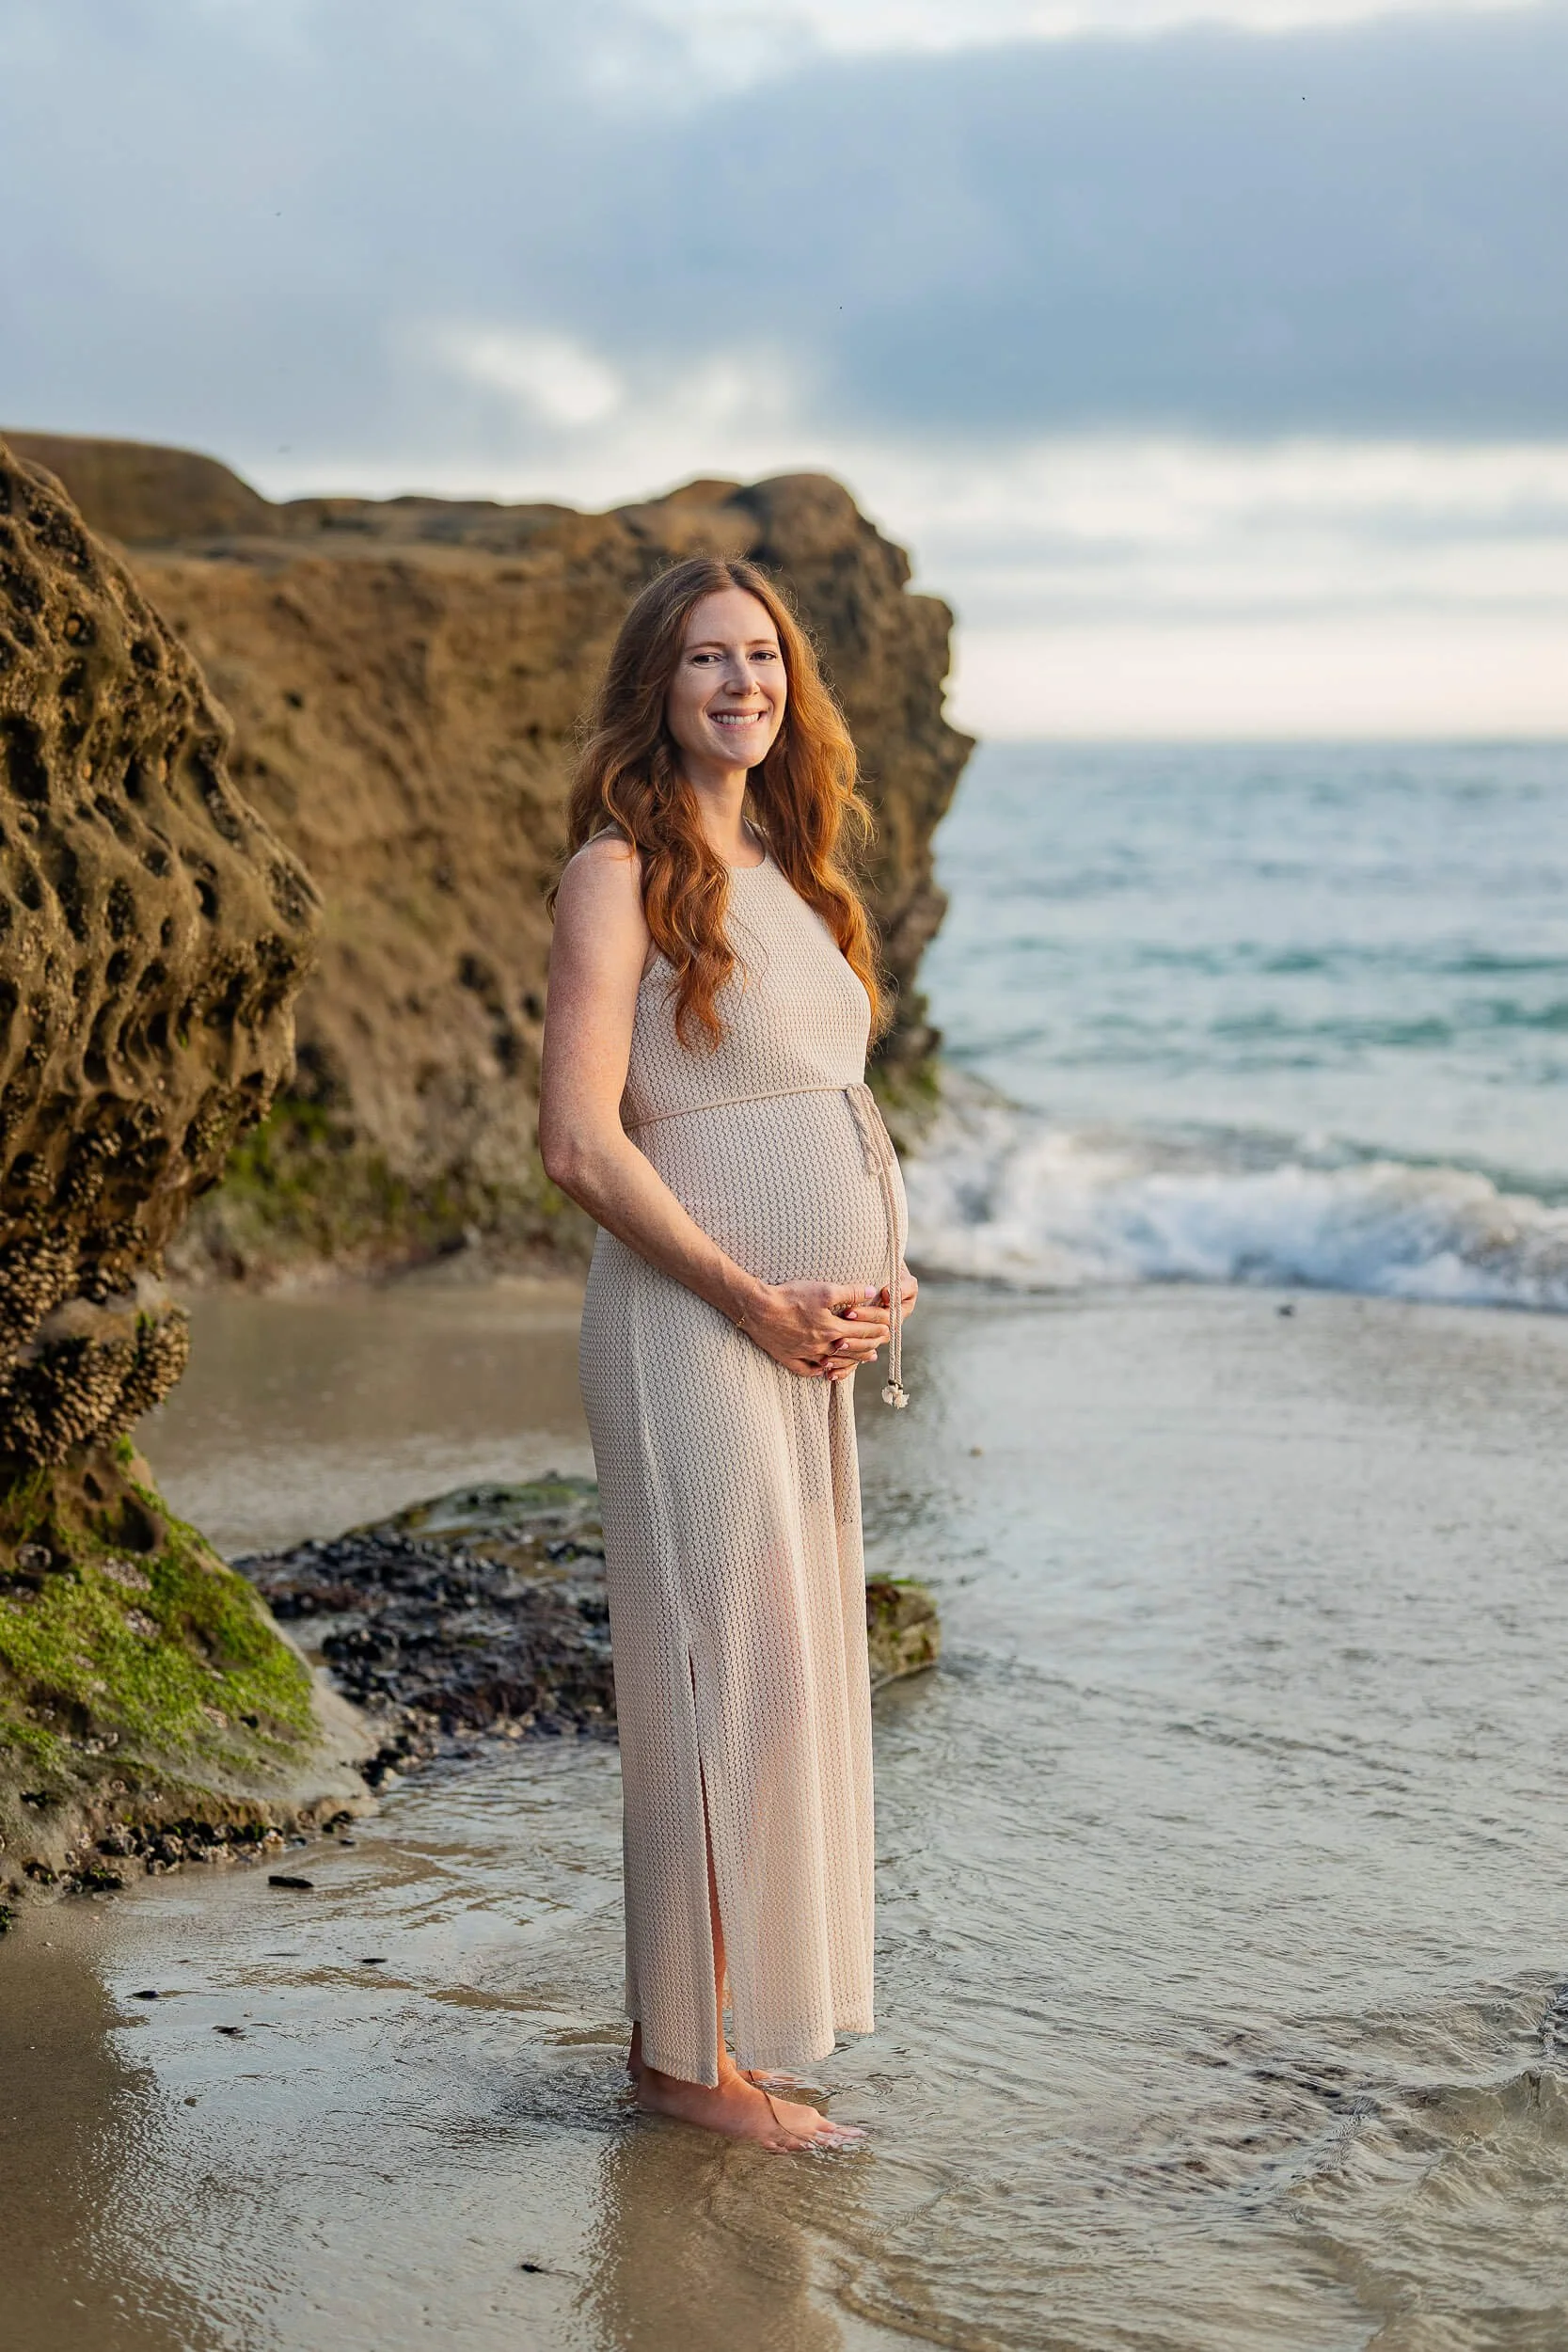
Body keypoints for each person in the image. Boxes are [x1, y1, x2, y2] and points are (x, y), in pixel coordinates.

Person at [539, 556, 915, 2153]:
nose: (739, 681)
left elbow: (828, 1107)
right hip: (688, 1322)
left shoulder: (789, 860)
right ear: (657, 685)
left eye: (760, 656)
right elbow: (575, 1143)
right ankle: (681, 2062)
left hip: (799, 1341)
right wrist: (750, 1293)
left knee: (779, 1680)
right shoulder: (617, 873)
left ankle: (710, 2038)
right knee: (716, 1676)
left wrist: (877, 1283)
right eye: (705, 657)